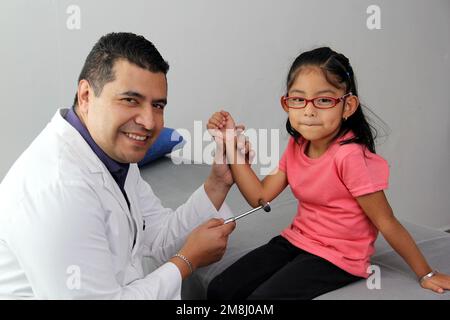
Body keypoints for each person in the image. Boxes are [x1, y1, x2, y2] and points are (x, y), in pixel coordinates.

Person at [0, 32, 254, 299]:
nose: (148, 121)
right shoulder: (58, 190)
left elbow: (157, 237)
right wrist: (187, 261)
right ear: (86, 95)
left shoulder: (113, 155)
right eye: (130, 100)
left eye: (157, 105)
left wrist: (218, 183)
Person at [206, 47, 450, 299]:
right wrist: (230, 143)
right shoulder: (298, 144)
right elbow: (260, 196)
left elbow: (386, 221)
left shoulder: (350, 156)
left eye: (324, 100)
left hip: (338, 257)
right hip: (296, 241)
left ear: (347, 106)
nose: (309, 111)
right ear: (286, 103)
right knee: (220, 289)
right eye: (298, 99)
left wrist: (426, 274)